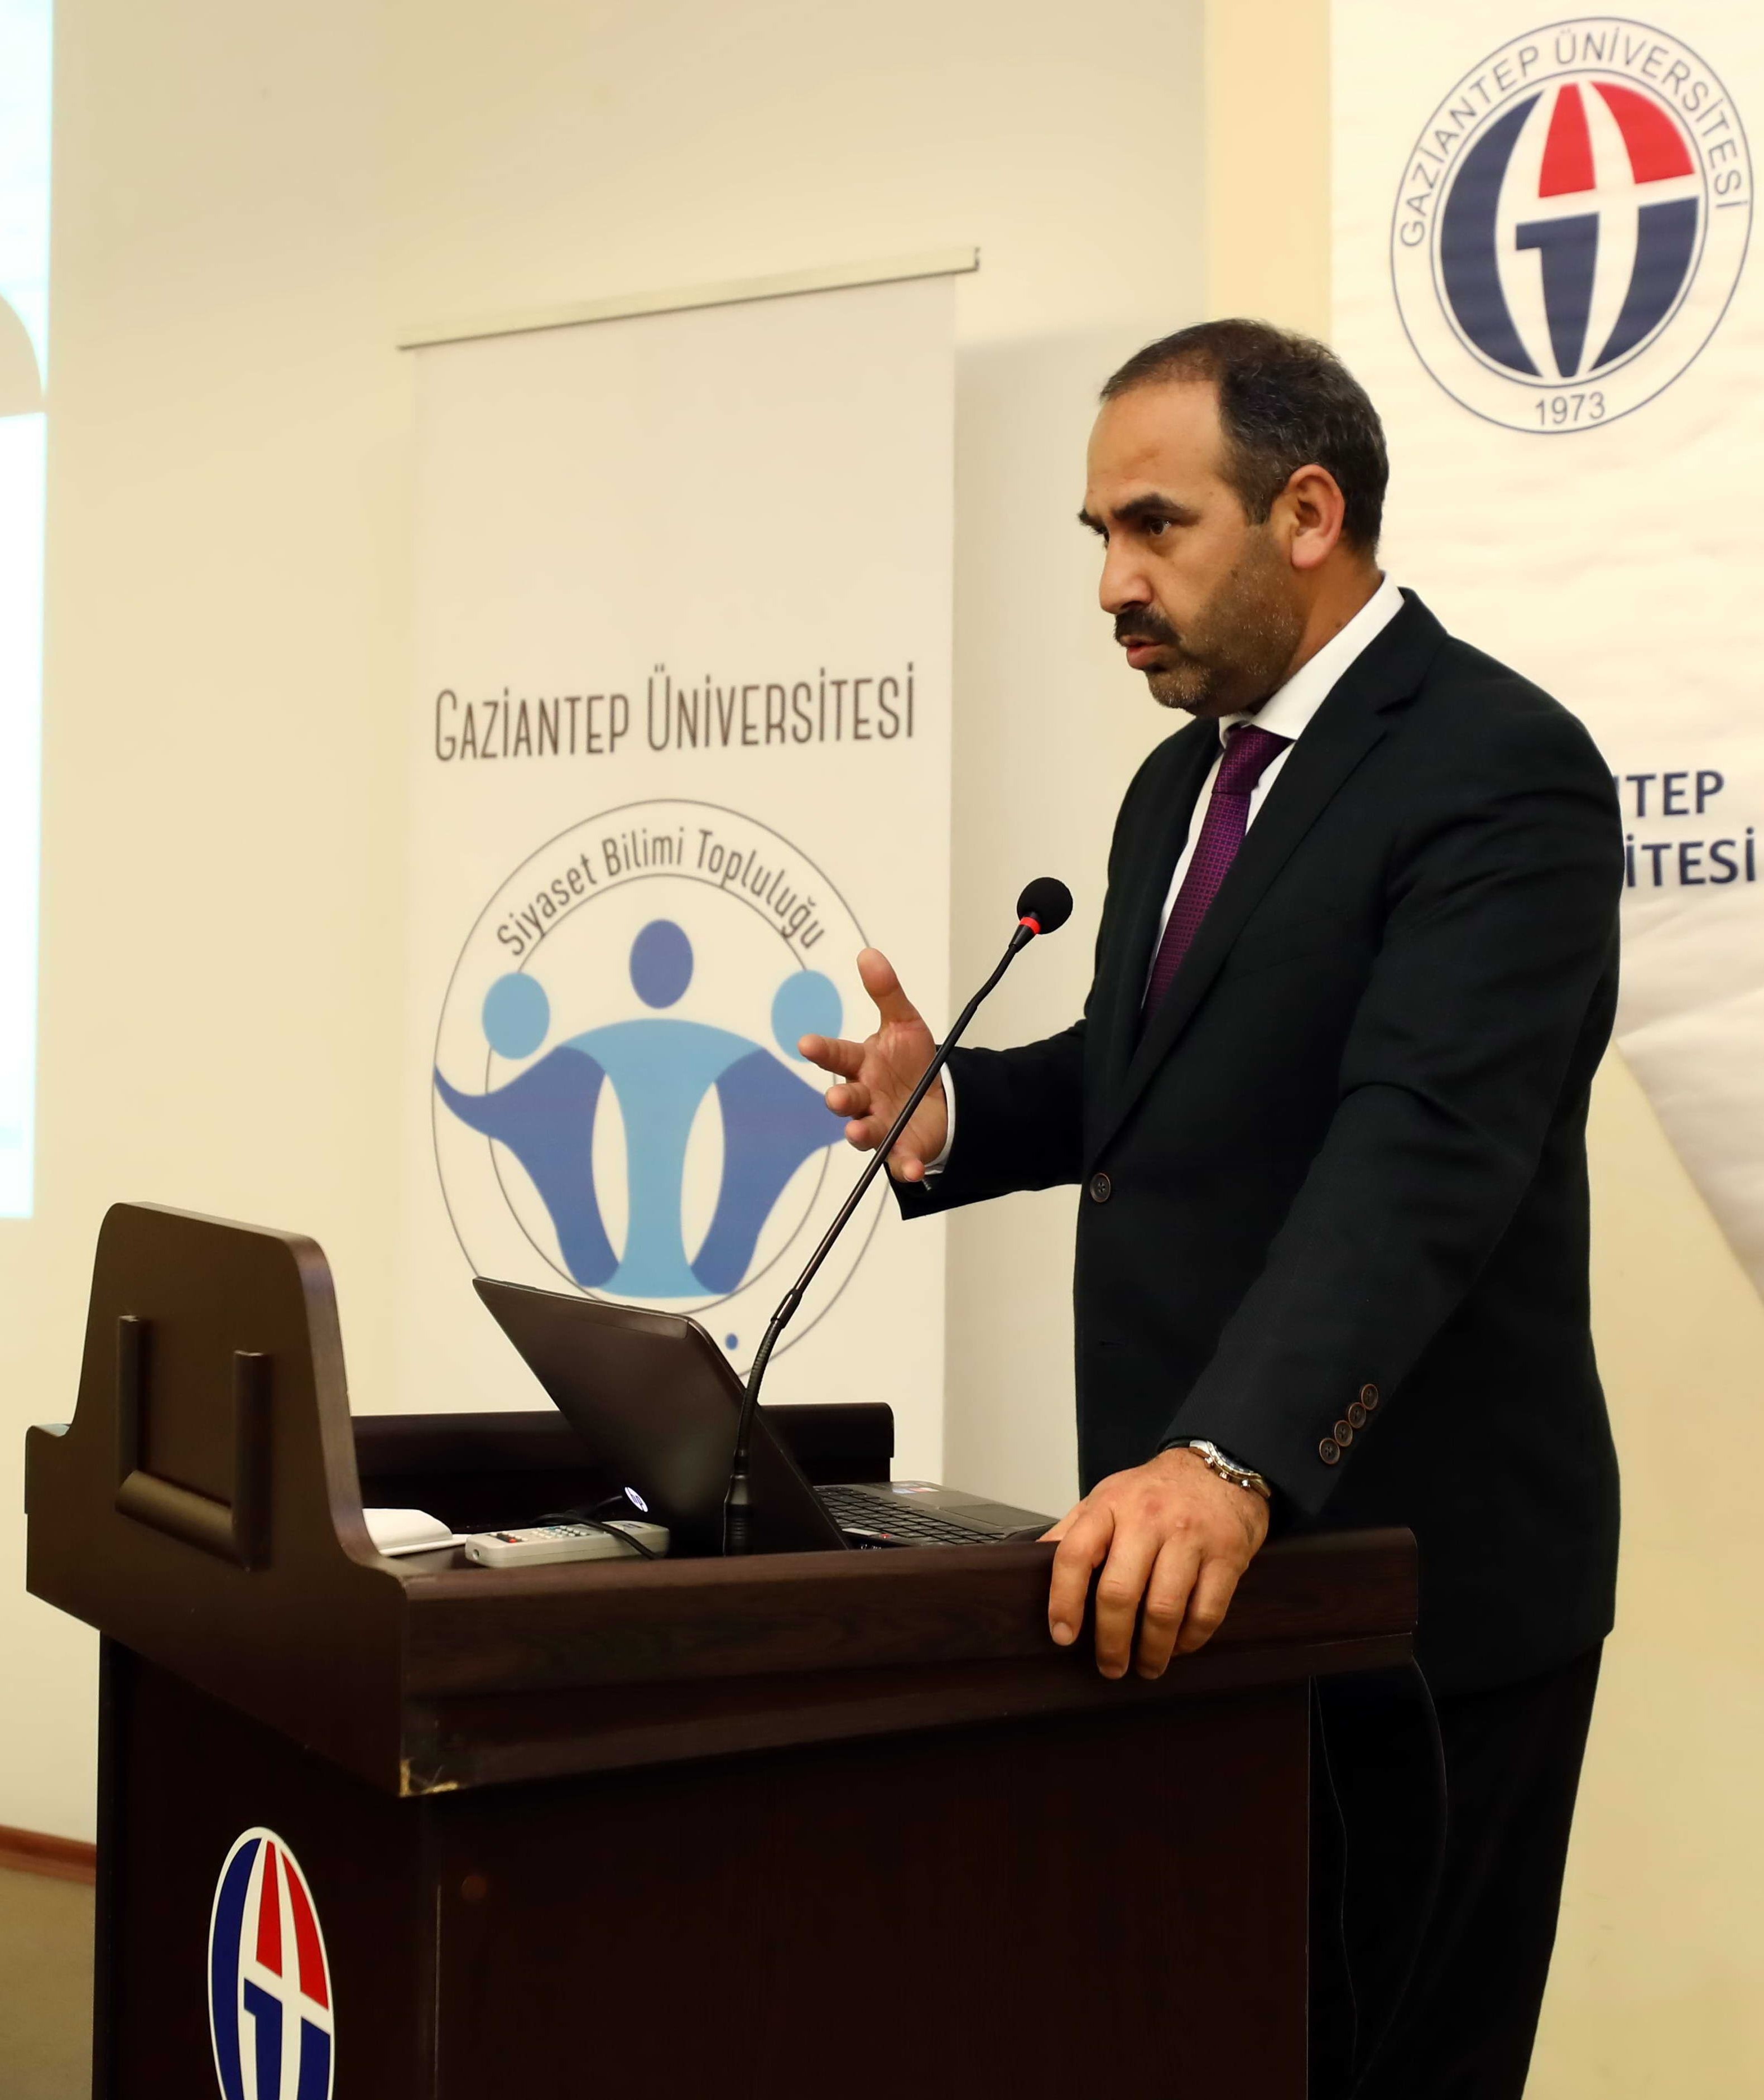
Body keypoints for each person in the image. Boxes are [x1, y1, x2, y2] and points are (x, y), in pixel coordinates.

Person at [798, 319, 1622, 2099]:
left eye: (1154, 526)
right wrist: (957, 1102)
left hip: (1412, 1597)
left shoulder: (1497, 764)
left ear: (1306, 513)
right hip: (1182, 1578)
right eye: (1098, 534)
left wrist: (1233, 1455)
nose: (1112, 583)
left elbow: (1421, 1151)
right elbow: (1153, 1067)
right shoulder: (1185, 779)